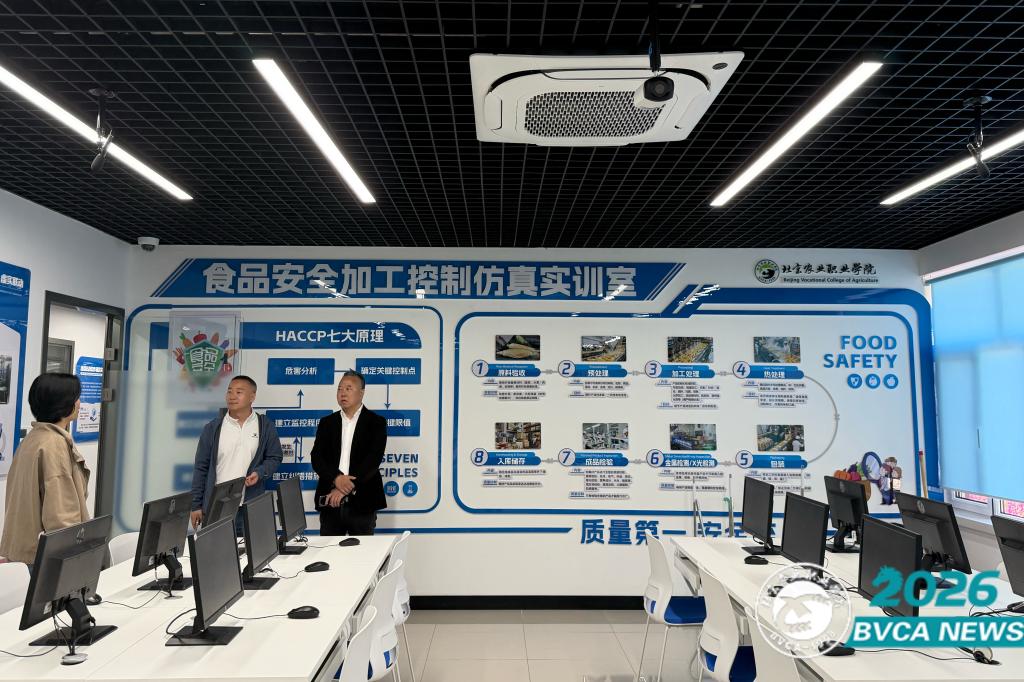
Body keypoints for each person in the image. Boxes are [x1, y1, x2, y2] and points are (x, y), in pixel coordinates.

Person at [0, 373, 90, 565]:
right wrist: (74, 559)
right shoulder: (55, 445)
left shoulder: (33, 439)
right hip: (45, 560)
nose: (79, 403)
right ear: (65, 403)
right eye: (76, 397)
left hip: (23, 552)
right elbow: (61, 516)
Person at [190, 375, 282, 531]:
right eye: (229, 391)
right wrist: (196, 505)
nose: (232, 396)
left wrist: (260, 472)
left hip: (250, 507)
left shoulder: (265, 426)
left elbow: (275, 457)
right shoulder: (212, 428)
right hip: (217, 508)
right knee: (217, 546)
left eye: (239, 392)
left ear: (252, 397)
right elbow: (201, 468)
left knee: (253, 546)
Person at [311, 371, 387, 535]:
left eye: (348, 388)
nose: (343, 393)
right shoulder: (327, 423)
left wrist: (343, 489)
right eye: (339, 389)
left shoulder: (376, 422)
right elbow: (317, 458)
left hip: (363, 500)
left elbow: (372, 460)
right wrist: (336, 479)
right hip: (330, 500)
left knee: (362, 550)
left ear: (362, 393)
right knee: (329, 549)